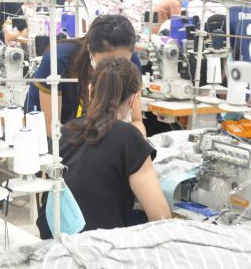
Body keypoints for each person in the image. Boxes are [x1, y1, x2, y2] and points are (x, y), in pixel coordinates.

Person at [35, 57, 170, 239]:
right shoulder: (129, 138)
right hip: (99, 250)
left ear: (90, 91)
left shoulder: (63, 133)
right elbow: (161, 218)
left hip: (52, 245)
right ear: (134, 99)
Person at [25, 15, 145, 137]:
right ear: (90, 50)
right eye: (106, 63)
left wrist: (138, 144)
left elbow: (136, 120)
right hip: (48, 132)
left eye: (120, 62)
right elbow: (50, 126)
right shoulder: (58, 60)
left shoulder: (132, 64)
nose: (114, 68)